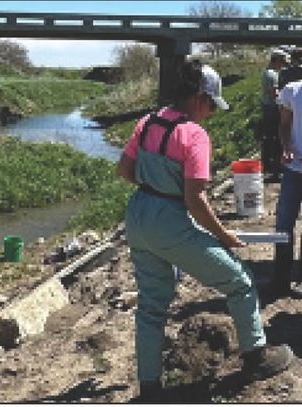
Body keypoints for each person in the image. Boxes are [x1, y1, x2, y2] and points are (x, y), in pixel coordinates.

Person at [117, 60, 293, 401]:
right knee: (239, 280)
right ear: (200, 98)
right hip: (170, 221)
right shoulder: (194, 134)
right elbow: (195, 200)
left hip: (137, 216)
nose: (211, 112)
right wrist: (224, 236)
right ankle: (255, 356)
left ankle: (150, 387)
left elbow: (125, 169)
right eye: (212, 104)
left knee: (152, 305)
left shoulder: (147, 121)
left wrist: (154, 187)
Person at [271, 76, 302, 298]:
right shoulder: (292, 91)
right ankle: (280, 281)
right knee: (283, 225)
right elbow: (283, 125)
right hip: (294, 169)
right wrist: (286, 146)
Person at [261, 50, 288, 178]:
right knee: (276, 138)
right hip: (272, 109)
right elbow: (275, 94)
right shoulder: (272, 75)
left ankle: (268, 165)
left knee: (269, 138)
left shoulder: (265, 72)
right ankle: (275, 167)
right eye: (282, 61)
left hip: (266, 107)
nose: (283, 64)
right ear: (276, 60)